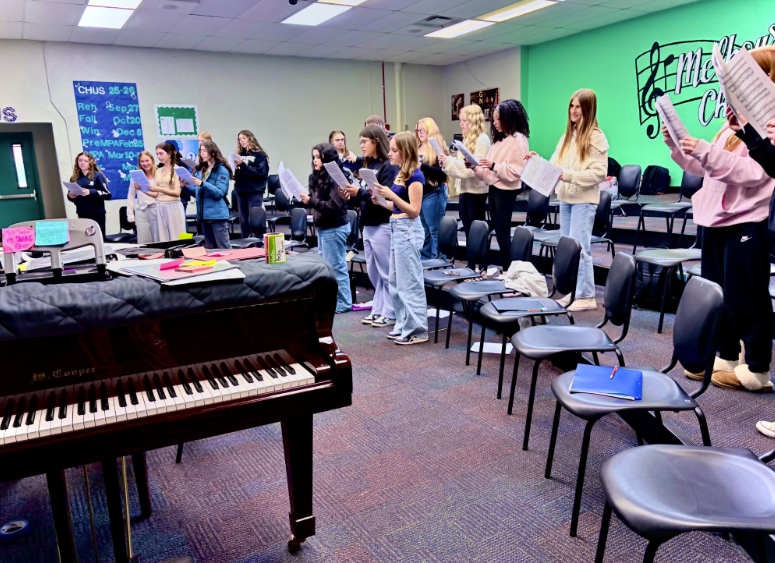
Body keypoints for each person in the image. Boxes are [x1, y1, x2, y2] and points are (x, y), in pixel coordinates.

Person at [663, 46, 775, 394]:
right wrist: (680, 147)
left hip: (745, 221)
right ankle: (726, 358)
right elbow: (705, 170)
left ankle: (757, 368)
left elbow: (751, 172)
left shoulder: (767, 124)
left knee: (746, 297)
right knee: (719, 294)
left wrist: (705, 149)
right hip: (713, 219)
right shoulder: (730, 127)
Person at [528, 89, 608, 312]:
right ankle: (574, 291)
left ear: (588, 108)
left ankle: (586, 295)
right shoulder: (567, 136)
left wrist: (568, 175)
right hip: (566, 198)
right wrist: (538, 160)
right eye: (571, 106)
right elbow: (555, 166)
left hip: (584, 199)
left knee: (581, 248)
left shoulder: (596, 136)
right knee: (569, 249)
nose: (573, 111)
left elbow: (599, 173)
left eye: (578, 106)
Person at [372, 131, 428, 345]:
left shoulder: (415, 175)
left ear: (406, 151)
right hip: (397, 225)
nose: (390, 153)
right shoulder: (400, 173)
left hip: (408, 229)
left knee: (409, 282)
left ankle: (418, 329)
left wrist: (391, 195)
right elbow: (395, 206)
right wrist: (380, 200)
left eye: (394, 150)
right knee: (395, 281)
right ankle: (403, 324)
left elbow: (414, 210)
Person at [340, 125, 398, 328]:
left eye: (364, 142)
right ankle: (379, 309)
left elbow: (383, 199)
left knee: (386, 272)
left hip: (382, 224)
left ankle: (391, 312)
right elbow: (364, 198)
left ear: (375, 141)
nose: (361, 146)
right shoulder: (369, 166)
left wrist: (361, 193)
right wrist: (350, 198)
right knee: (374, 272)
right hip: (369, 224)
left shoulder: (387, 167)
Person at [473, 99, 530, 271]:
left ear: (509, 118)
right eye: (494, 119)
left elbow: (516, 172)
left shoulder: (519, 139)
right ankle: (507, 269)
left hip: (506, 192)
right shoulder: (499, 142)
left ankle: (509, 270)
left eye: (499, 119)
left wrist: (493, 166)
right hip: (494, 189)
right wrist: (474, 166)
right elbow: (487, 173)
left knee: (503, 233)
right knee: (499, 232)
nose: (495, 123)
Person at [301, 143, 351, 314]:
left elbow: (334, 206)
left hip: (335, 226)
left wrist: (311, 201)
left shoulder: (337, 177)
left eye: (318, 157)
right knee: (328, 268)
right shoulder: (315, 177)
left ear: (327, 158)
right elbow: (316, 201)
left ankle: (344, 303)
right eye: (313, 157)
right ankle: (333, 301)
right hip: (323, 227)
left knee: (337, 267)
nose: (314, 160)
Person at [440, 104, 491, 237]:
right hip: (465, 190)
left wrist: (449, 161)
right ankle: (471, 257)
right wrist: (445, 163)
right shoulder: (467, 139)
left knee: (476, 231)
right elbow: (461, 167)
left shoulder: (482, 140)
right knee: (468, 229)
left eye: (464, 120)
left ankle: (478, 257)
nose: (461, 124)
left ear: (474, 121)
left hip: (476, 191)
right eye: (460, 120)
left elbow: (472, 168)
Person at [180, 140, 232, 250]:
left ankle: (234, 266)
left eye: (204, 151)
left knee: (223, 248)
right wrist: (185, 187)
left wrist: (203, 184)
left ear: (212, 153)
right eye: (200, 151)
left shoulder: (221, 170)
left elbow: (220, 193)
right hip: (204, 216)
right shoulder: (201, 170)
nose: (201, 153)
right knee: (210, 249)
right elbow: (197, 192)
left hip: (217, 216)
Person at [415, 117, 448, 259]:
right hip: (419, 193)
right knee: (424, 230)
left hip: (433, 192)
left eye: (422, 130)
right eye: (417, 130)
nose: (419, 133)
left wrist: (423, 166)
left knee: (435, 230)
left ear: (430, 130)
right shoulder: (416, 147)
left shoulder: (437, 147)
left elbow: (443, 174)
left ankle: (439, 261)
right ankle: (426, 261)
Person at [148, 142, 187, 242]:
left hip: (173, 206)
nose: (159, 156)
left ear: (169, 154)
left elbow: (177, 193)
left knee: (176, 236)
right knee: (163, 237)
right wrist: (142, 189)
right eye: (157, 154)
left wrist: (159, 189)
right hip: (161, 206)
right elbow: (155, 194)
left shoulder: (177, 170)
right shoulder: (158, 171)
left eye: (161, 154)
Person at [233, 130, 269, 238]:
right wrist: (234, 171)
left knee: (255, 220)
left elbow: (260, 173)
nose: (242, 141)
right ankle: (246, 245)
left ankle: (258, 244)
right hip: (241, 191)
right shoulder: (239, 155)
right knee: (244, 221)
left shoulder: (259, 155)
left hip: (254, 191)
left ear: (250, 138)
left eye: (244, 138)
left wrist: (243, 166)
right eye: (240, 139)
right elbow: (240, 174)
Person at [67, 152, 111, 239]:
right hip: (82, 213)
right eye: (80, 160)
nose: (82, 163)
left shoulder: (97, 176)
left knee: (98, 239)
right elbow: (70, 196)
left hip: (97, 214)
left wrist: (91, 192)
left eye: (85, 161)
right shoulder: (74, 177)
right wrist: (71, 196)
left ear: (90, 162)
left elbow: (107, 194)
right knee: (85, 239)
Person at [127, 151, 159, 243]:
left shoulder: (158, 174)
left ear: (152, 160)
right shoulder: (136, 177)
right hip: (141, 211)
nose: (145, 163)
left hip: (156, 209)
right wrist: (130, 215)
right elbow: (130, 196)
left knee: (158, 240)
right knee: (144, 241)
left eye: (147, 160)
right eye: (142, 161)